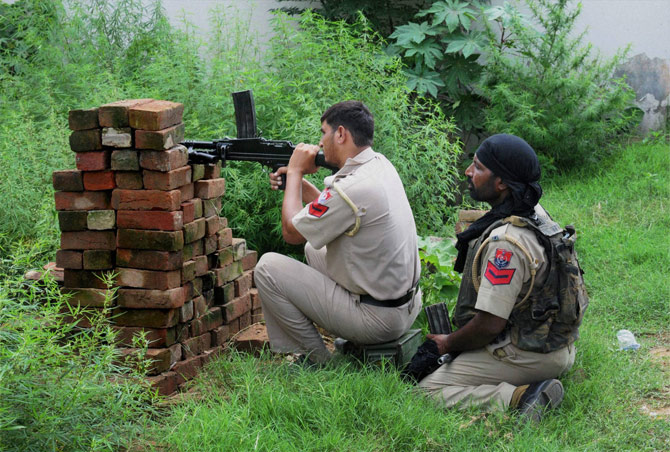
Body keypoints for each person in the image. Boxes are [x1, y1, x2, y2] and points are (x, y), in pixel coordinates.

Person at [417, 134, 587, 421]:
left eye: (478, 167)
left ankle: (520, 396)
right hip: (555, 345)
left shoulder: (506, 244)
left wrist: (447, 343)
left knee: (423, 391)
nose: (469, 172)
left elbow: (489, 325)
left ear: (502, 183)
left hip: (529, 353)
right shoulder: (536, 215)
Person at [254, 101, 422, 365]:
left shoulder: (352, 188)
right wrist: (297, 184)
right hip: (405, 307)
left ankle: (317, 363)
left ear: (341, 134)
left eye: (323, 133)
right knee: (314, 248)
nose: (320, 142)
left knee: (267, 268)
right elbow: (337, 208)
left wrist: (296, 171)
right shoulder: (378, 165)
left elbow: (291, 233)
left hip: (379, 321)